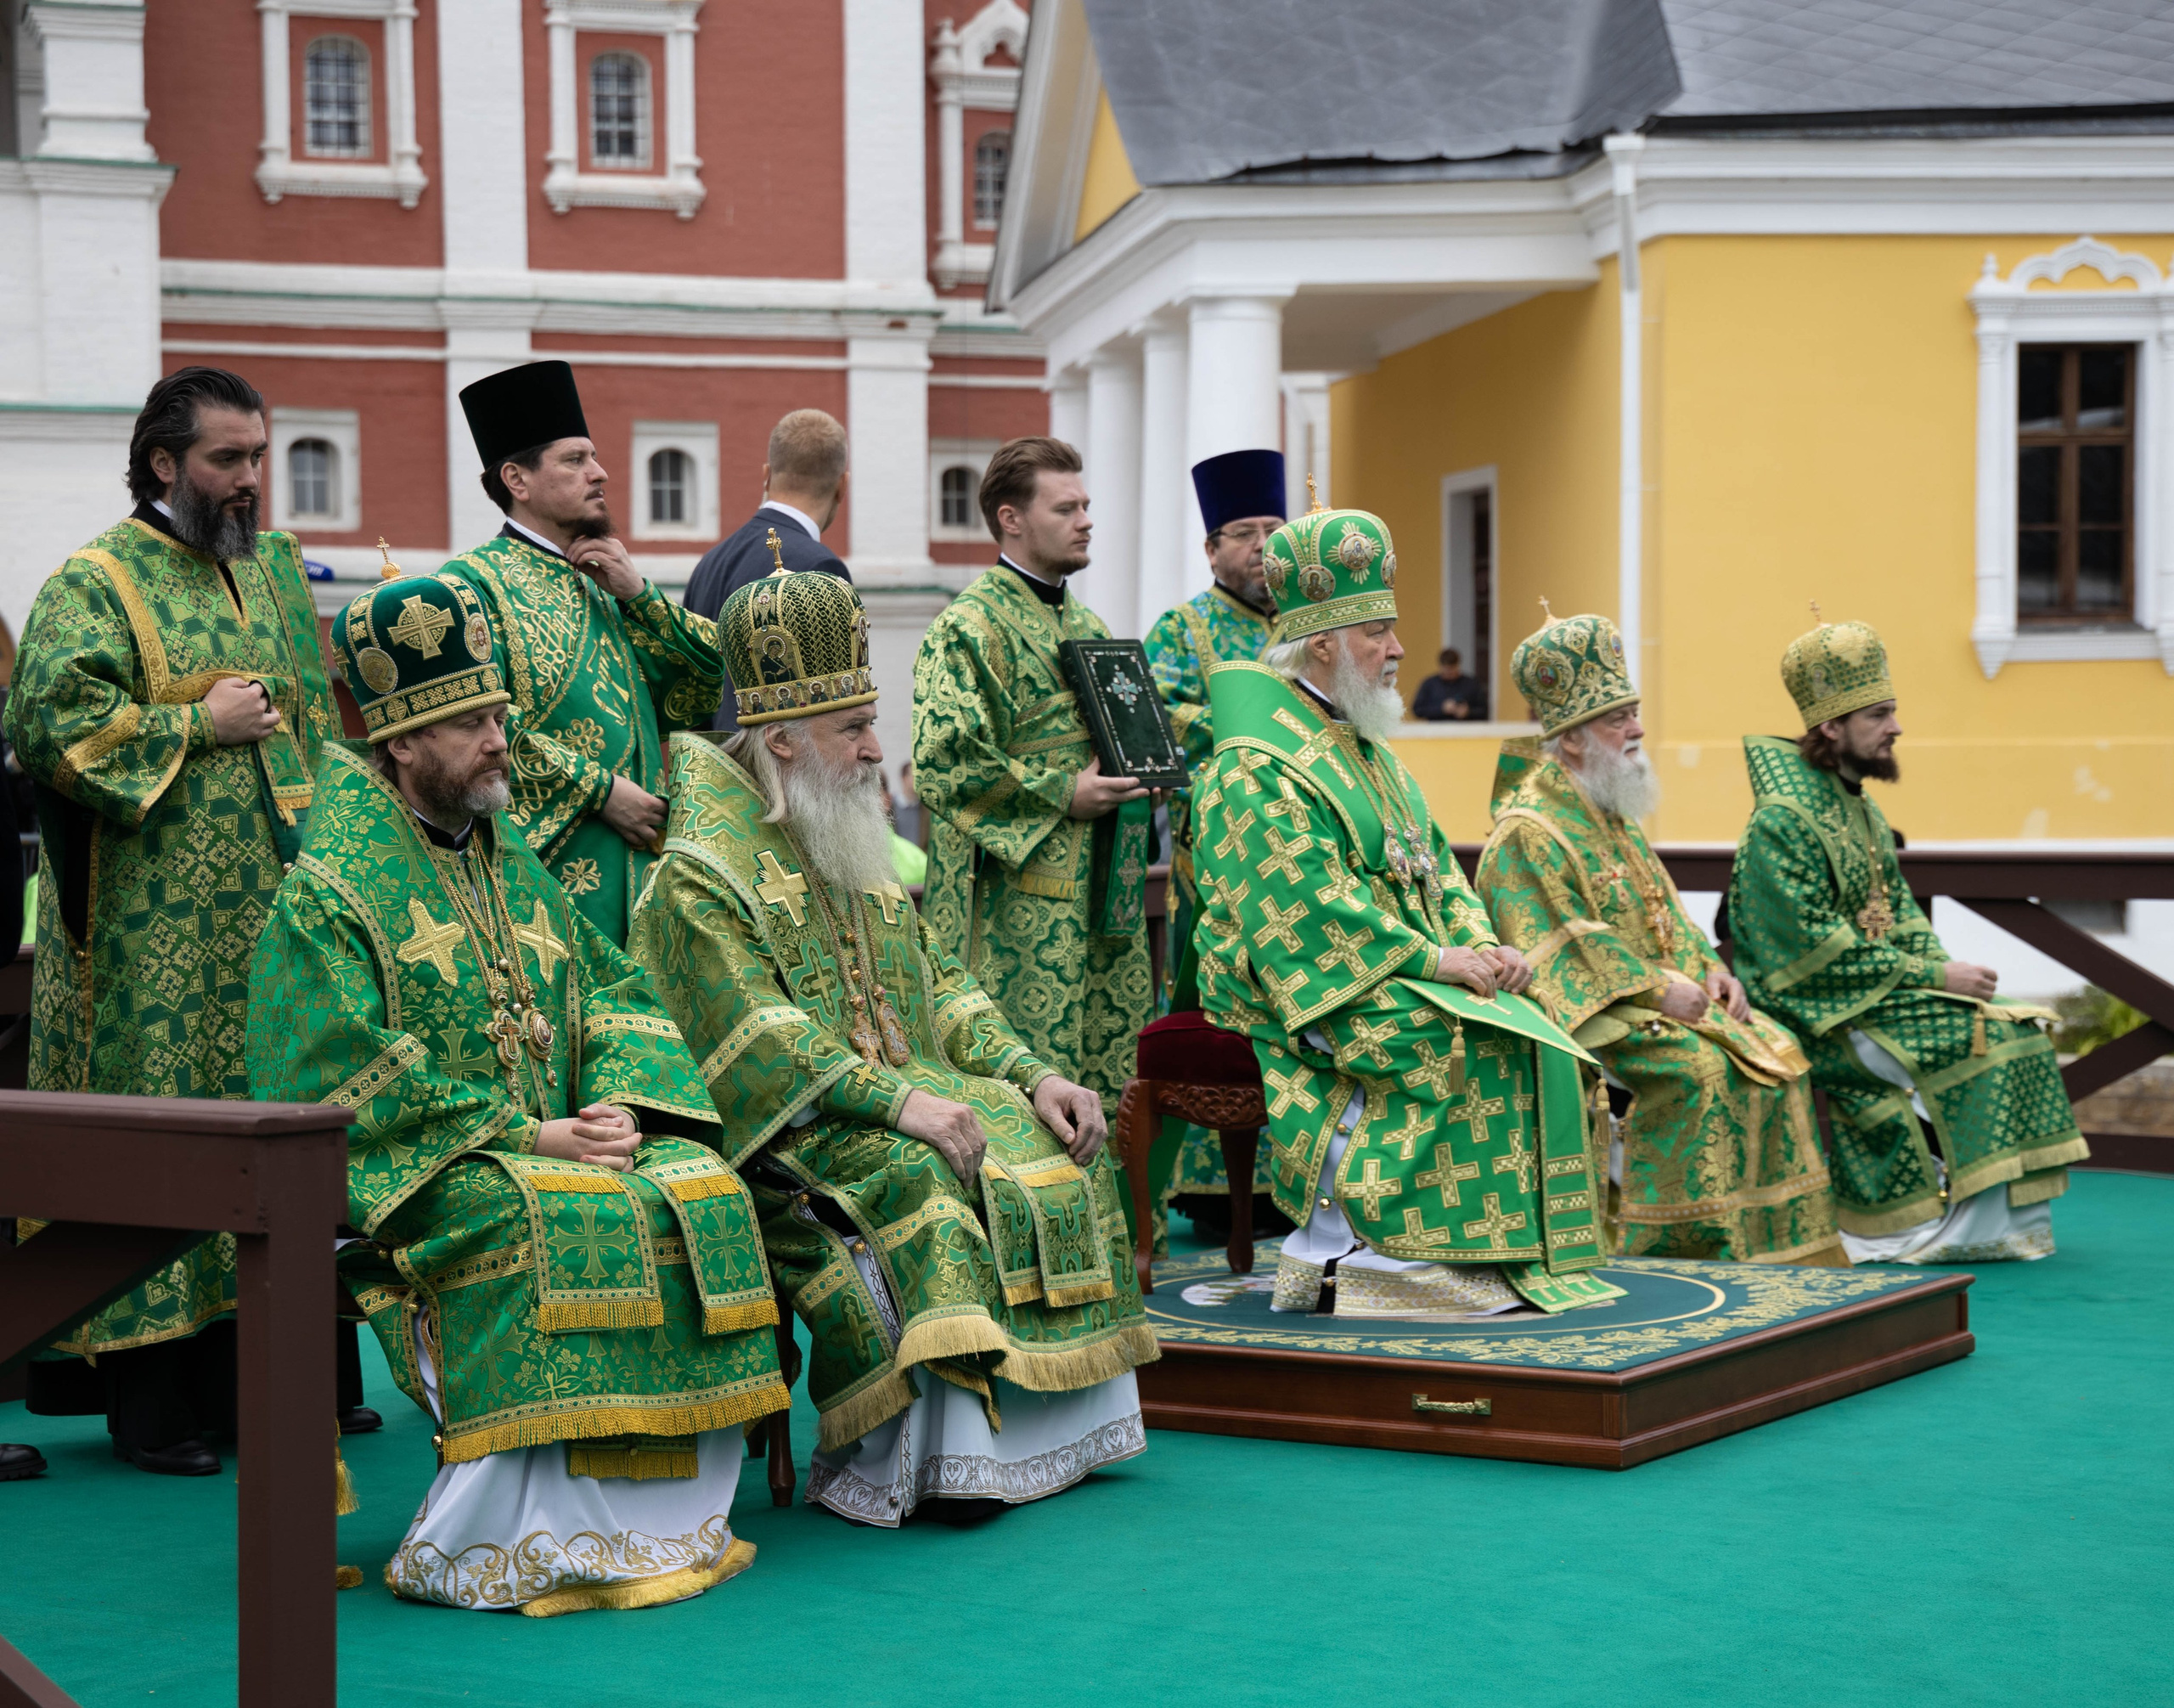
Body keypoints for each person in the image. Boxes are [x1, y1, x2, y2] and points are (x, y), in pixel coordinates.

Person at [246, 572, 786, 1614]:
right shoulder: (333, 888)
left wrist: (623, 1101)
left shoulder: (508, 857)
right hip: (431, 1167)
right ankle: (507, 1539)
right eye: (469, 724)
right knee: (542, 1217)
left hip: (565, 1134)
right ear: (401, 743)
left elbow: (612, 987)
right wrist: (530, 1133)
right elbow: (336, 1068)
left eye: (499, 715)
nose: (499, 740)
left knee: (698, 1183)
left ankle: (657, 1521)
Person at [628, 567, 1152, 1525]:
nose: (878, 749)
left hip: (905, 1089)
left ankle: (1050, 1435)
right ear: (781, 738)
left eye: (874, 719)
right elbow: (760, 1039)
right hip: (790, 1139)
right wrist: (900, 1102)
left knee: (1062, 1143)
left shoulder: (842, 830)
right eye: (853, 728)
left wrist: (1032, 1074)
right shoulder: (698, 876)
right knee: (926, 1181)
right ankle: (931, 1460)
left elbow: (939, 984)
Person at [5, 367, 341, 1475]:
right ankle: (156, 1405)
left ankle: (272, 1381)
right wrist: (196, 722)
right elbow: (49, 719)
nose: (251, 482)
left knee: (280, 1124)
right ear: (164, 463)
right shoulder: (95, 581)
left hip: (277, 919)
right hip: (154, 942)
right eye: (227, 461)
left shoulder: (274, 566)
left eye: (259, 456)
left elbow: (318, 721)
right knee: (172, 1139)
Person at [1191, 499, 1618, 1316]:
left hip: (1390, 960)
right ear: (1323, 644)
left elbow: (1434, 870)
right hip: (1299, 983)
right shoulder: (1255, 763)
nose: (1397, 650)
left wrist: (1484, 946)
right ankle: (1384, 1253)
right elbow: (1303, 908)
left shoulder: (1365, 745)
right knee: (1457, 1040)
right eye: (1377, 631)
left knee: (1535, 1021)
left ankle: (1500, 1254)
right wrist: (1434, 961)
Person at [1474, 609, 1843, 1265]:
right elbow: (1559, 943)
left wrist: (1710, 969)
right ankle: (1680, 1252)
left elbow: (1663, 912)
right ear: (1575, 739)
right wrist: (1657, 991)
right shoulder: (1529, 828)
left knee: (1775, 1048)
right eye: (1619, 718)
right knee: (1699, 1070)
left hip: (1663, 999)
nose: (1638, 728)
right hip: (1589, 1017)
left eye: (1635, 710)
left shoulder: (1609, 808)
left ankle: (1770, 1253)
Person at [1726, 613, 2088, 1263]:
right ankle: (1962, 1234)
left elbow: (1899, 914)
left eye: (1893, 711)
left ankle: (1998, 1227)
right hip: (1812, 1013)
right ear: (1831, 727)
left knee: (2009, 1027)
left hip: (1871, 997)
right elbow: (1809, 950)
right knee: (1988, 1045)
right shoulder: (1781, 821)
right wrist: (1932, 981)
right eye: (1880, 714)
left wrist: (1951, 977)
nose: (1896, 727)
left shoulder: (1860, 805)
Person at [440, 360, 725, 944]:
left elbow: (705, 679)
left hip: (648, 868)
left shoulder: (606, 575)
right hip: (555, 876)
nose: (600, 473)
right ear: (517, 480)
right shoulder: (471, 585)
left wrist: (641, 596)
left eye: (593, 457)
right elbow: (477, 725)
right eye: (575, 460)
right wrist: (600, 790)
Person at [911, 437, 1156, 1113]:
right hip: (1014, 909)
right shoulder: (967, 627)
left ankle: (1110, 1221)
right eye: (1066, 507)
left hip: (1105, 896)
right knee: (1028, 1081)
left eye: (1087, 506)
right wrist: (1061, 792)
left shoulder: (1090, 624)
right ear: (1011, 519)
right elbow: (943, 760)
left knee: (1110, 1070)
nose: (1086, 520)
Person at [1142, 448, 1286, 1237]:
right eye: (1245, 532)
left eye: (1273, 529)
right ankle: (1203, 1186)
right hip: (1221, 854)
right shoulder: (1182, 629)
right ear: (1212, 548)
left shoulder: (1309, 626)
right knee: (1223, 1002)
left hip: (1308, 850)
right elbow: (1163, 722)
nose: (1262, 545)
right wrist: (1264, 740)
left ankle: (1299, 1174)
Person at [682, 409, 853, 730]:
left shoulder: (710, 563)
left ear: (766, 475)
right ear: (843, 486)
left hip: (709, 772)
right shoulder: (821, 568)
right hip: (777, 776)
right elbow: (834, 714)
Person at [1411, 648, 1486, 721]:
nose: (1449, 673)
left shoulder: (1471, 684)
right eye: (1446, 669)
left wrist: (1468, 712)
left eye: (1452, 669)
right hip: (1437, 730)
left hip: (1465, 729)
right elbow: (1417, 710)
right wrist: (1441, 709)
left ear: (1458, 666)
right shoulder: (1430, 684)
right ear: (1440, 666)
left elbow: (1484, 710)